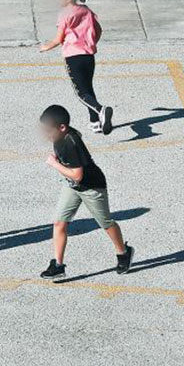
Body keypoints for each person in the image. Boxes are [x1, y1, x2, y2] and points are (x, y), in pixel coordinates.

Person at [39, 105, 134, 280]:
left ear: (62, 127)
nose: (45, 134)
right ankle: (58, 265)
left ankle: (123, 253)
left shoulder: (71, 142)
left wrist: (54, 164)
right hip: (73, 186)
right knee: (59, 222)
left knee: (106, 223)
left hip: (92, 188)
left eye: (48, 130)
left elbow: (77, 175)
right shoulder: (59, 137)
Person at [39, 0, 113, 135]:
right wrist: (91, 43)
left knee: (81, 93)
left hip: (73, 57)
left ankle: (101, 110)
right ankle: (95, 122)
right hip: (88, 56)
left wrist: (46, 47)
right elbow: (99, 30)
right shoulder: (86, 11)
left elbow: (58, 39)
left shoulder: (64, 14)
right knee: (88, 88)